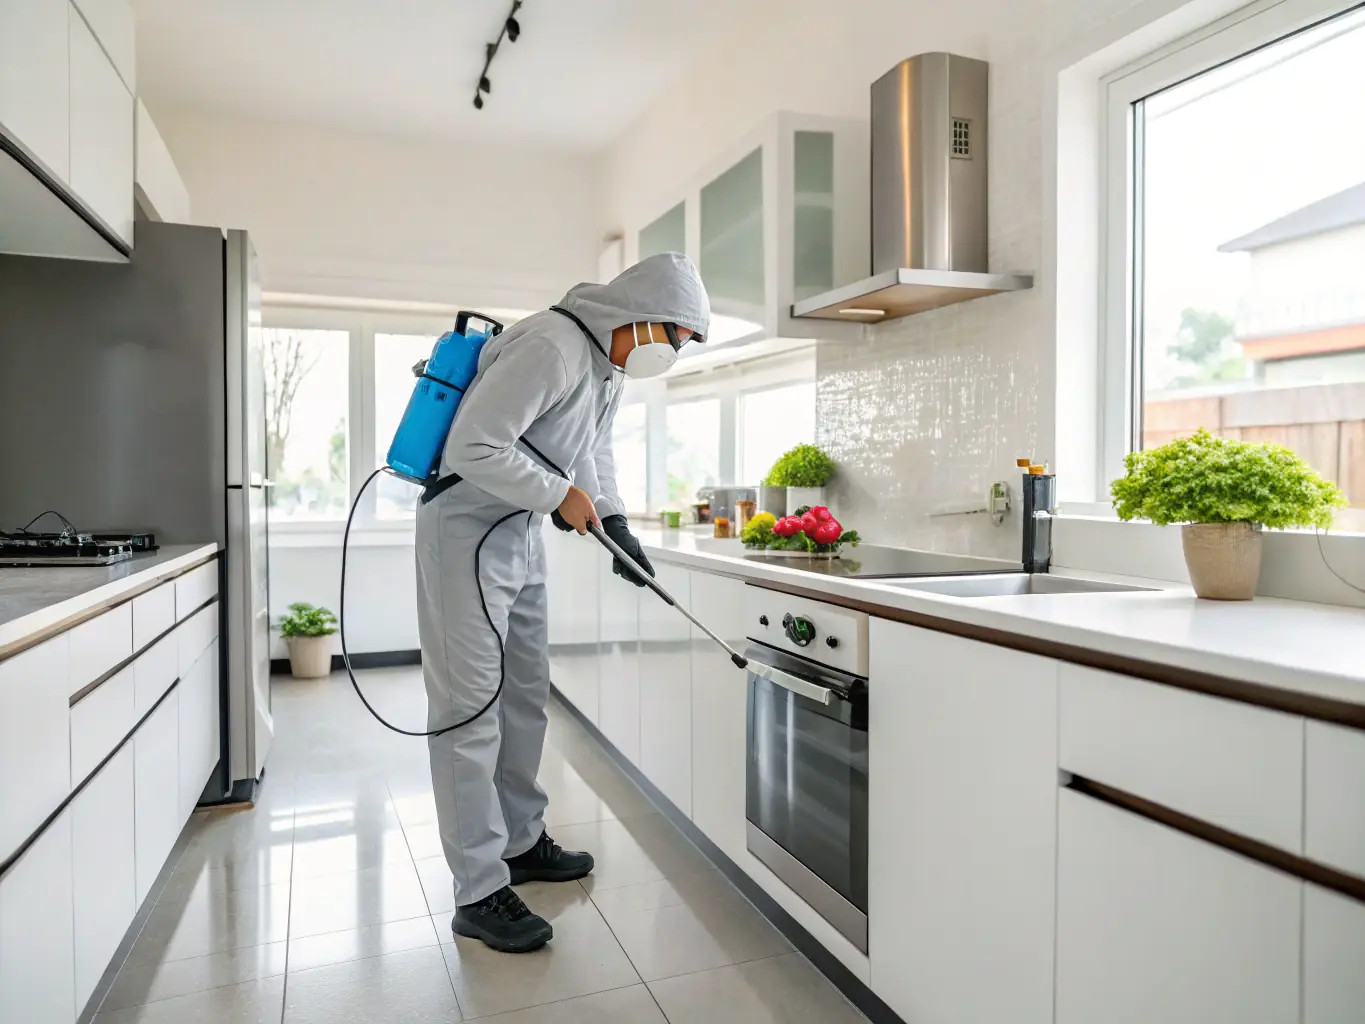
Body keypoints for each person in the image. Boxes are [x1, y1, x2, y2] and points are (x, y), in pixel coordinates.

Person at [415, 252, 710, 953]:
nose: (671, 352)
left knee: (524, 697)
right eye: (674, 337)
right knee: (469, 711)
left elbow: (592, 453)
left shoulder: (606, 369)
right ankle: (478, 889)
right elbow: (474, 444)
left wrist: (615, 521)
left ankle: (520, 842)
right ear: (641, 315)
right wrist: (558, 496)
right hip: (466, 534)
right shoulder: (551, 344)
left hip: (517, 534)